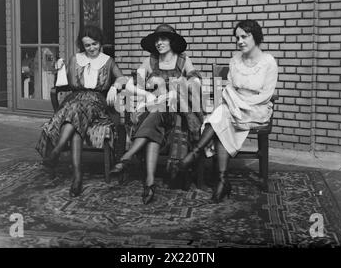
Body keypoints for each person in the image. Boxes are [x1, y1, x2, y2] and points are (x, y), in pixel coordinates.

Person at [174, 19, 278, 203]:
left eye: (245, 36)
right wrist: (233, 101)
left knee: (221, 115)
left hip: (256, 109)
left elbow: (267, 94)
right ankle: (222, 181)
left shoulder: (268, 62)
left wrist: (239, 103)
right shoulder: (235, 60)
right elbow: (230, 87)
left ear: (256, 36)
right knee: (223, 115)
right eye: (237, 37)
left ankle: (196, 153)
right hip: (233, 106)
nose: (240, 41)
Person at [110, 24, 203, 205]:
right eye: (157, 40)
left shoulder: (183, 60)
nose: (159, 43)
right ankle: (150, 182)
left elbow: (195, 83)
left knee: (157, 113)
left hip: (178, 113)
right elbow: (131, 83)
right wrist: (145, 94)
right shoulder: (150, 61)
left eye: (164, 39)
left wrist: (179, 84)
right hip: (156, 110)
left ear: (172, 41)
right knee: (154, 128)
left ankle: (127, 157)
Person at [36, 26, 127, 197]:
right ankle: (77, 176)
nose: (92, 48)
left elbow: (123, 78)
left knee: (75, 111)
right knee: (76, 123)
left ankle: (57, 151)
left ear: (100, 43)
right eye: (87, 45)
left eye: (94, 44)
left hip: (95, 101)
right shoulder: (75, 59)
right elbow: (65, 83)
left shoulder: (108, 61)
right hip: (74, 99)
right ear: (82, 46)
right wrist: (59, 69)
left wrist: (115, 86)